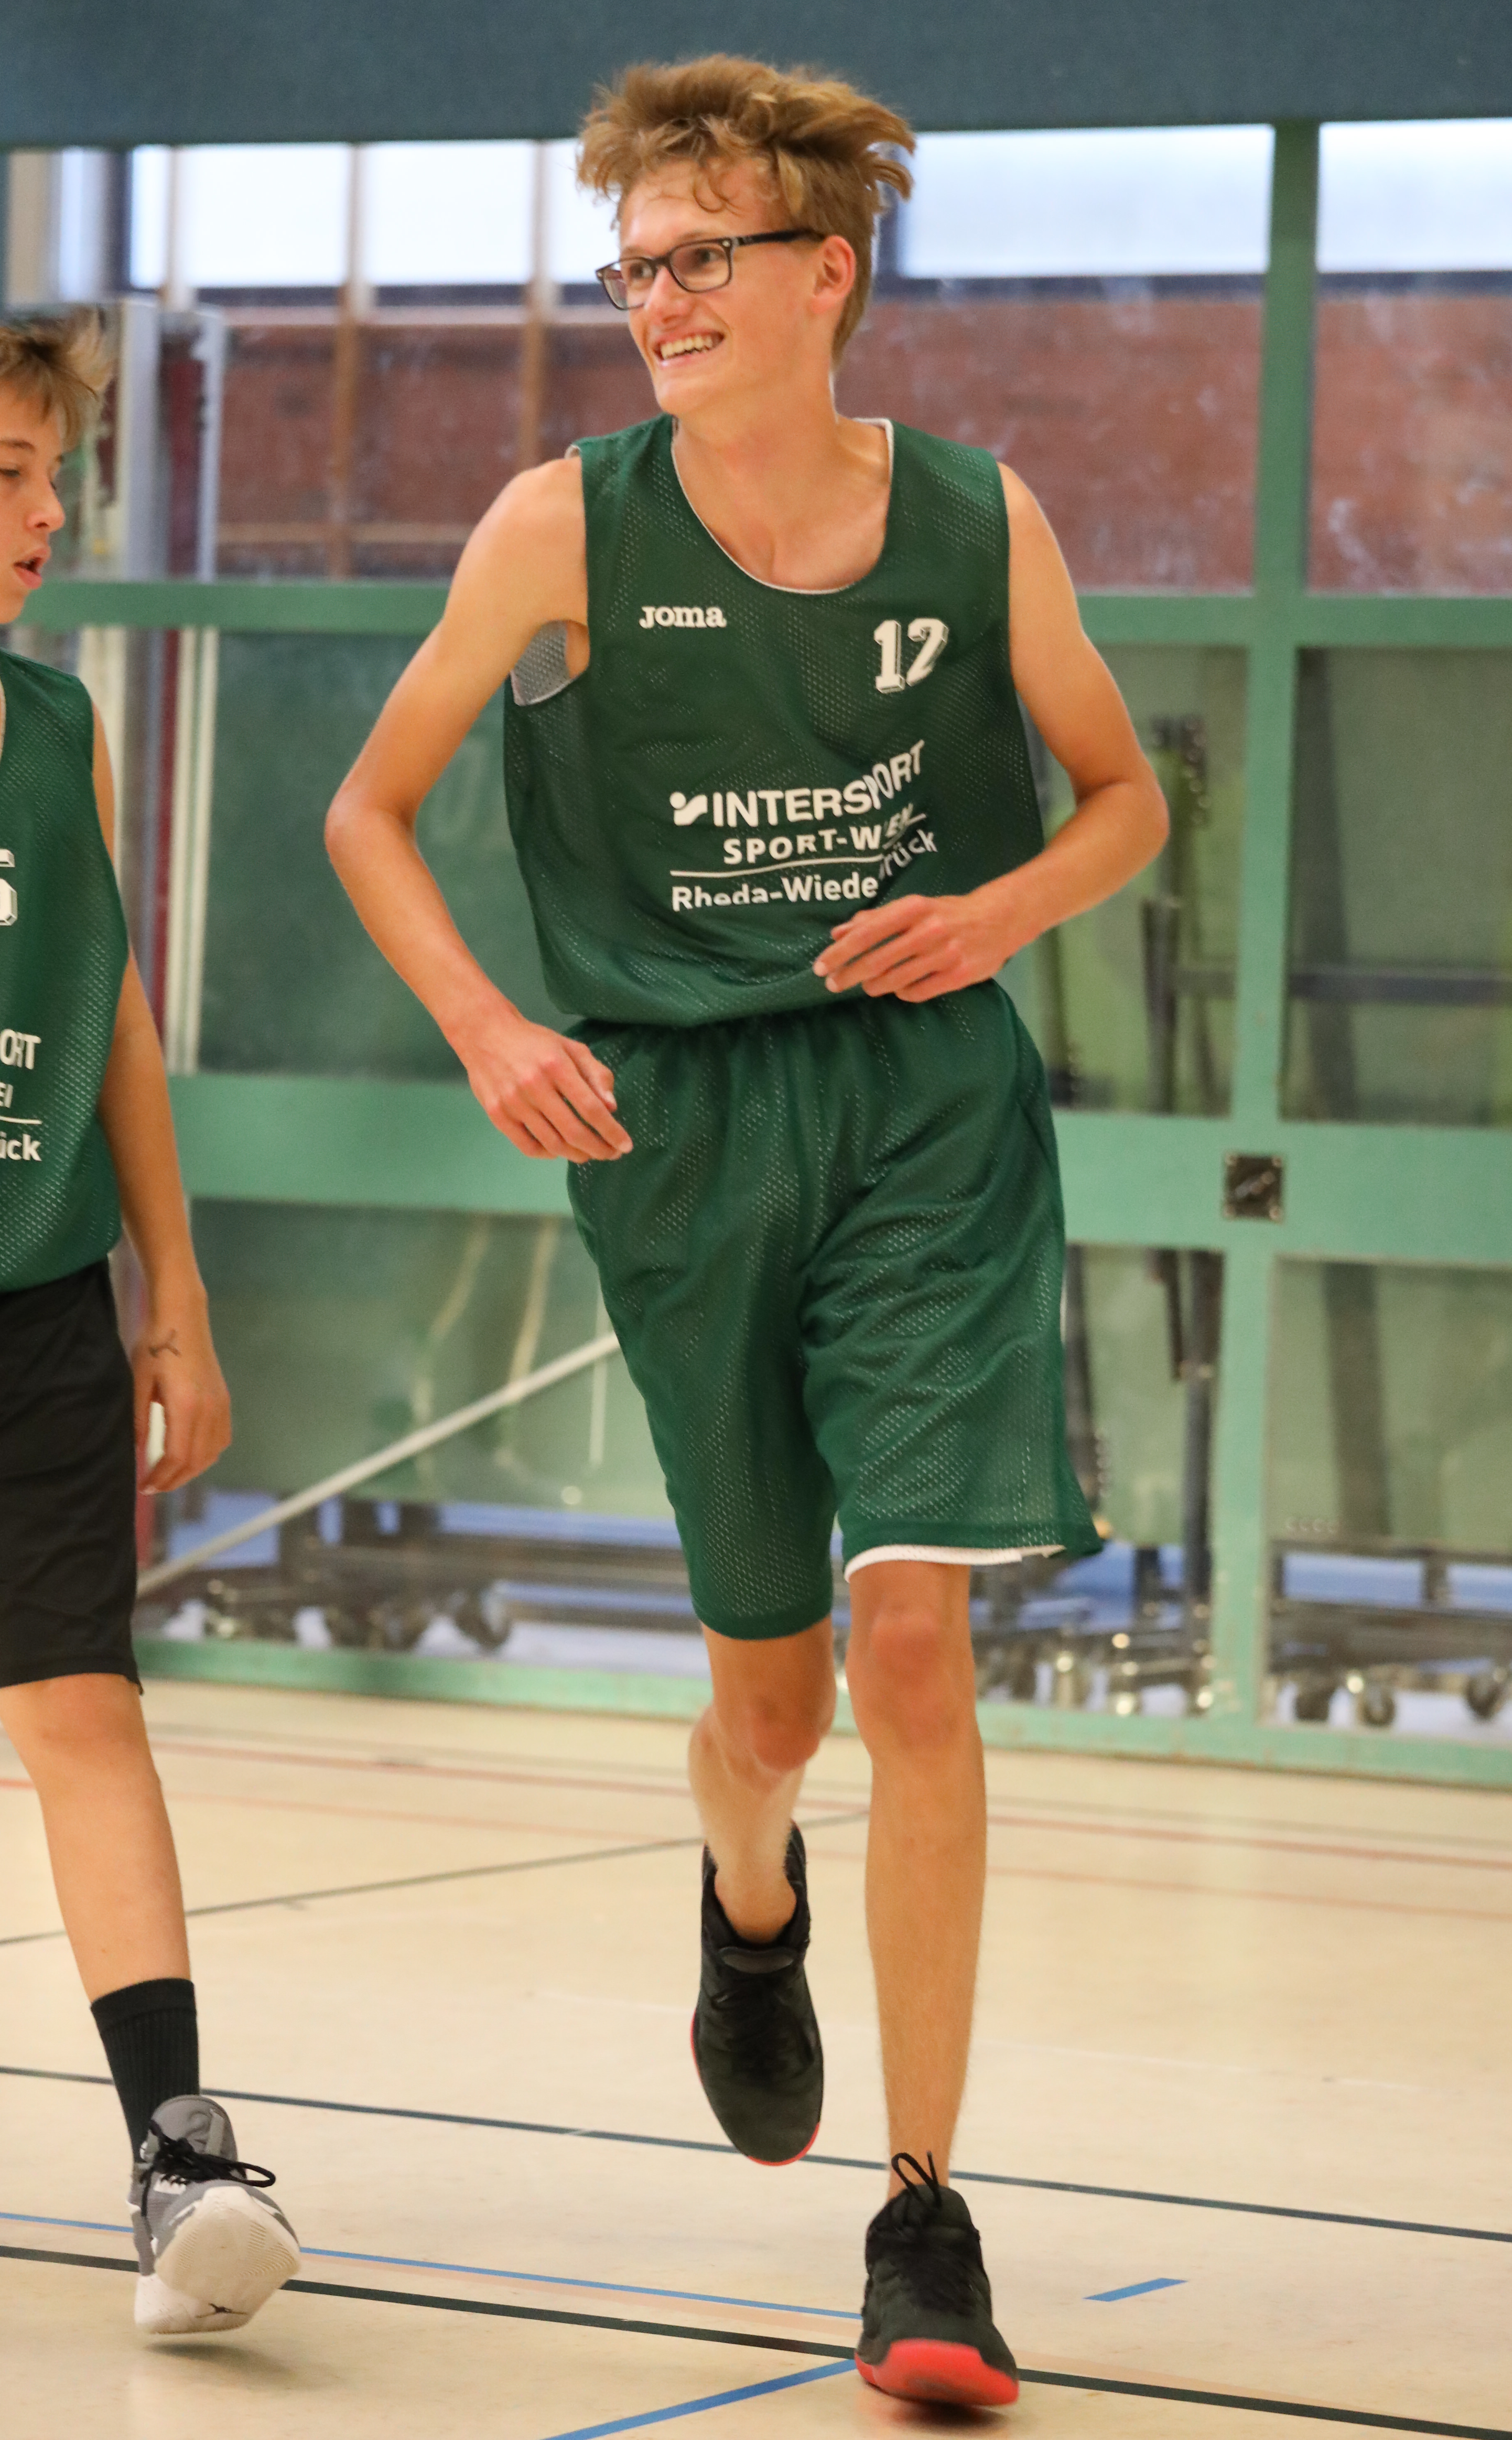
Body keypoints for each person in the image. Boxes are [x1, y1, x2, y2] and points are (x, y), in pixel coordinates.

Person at [326, 56, 1166, 2409]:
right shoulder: (561, 528)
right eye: (633, 268)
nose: (660, 301)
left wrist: (993, 912)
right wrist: (492, 1025)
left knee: (916, 1651)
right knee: (774, 1707)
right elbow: (371, 812)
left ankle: (924, 2220)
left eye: (702, 258)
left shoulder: (978, 521)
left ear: (827, 274)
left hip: (923, 1104)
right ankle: (747, 1888)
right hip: (677, 1125)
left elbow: (1126, 797)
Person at [0, 289, 299, 2336]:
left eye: (59, 473)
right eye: (11, 470)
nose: (53, 508)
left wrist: (177, 1296)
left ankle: (180, 2154)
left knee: (85, 1709)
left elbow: (111, 1011)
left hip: (33, 1290)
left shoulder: (60, 726)